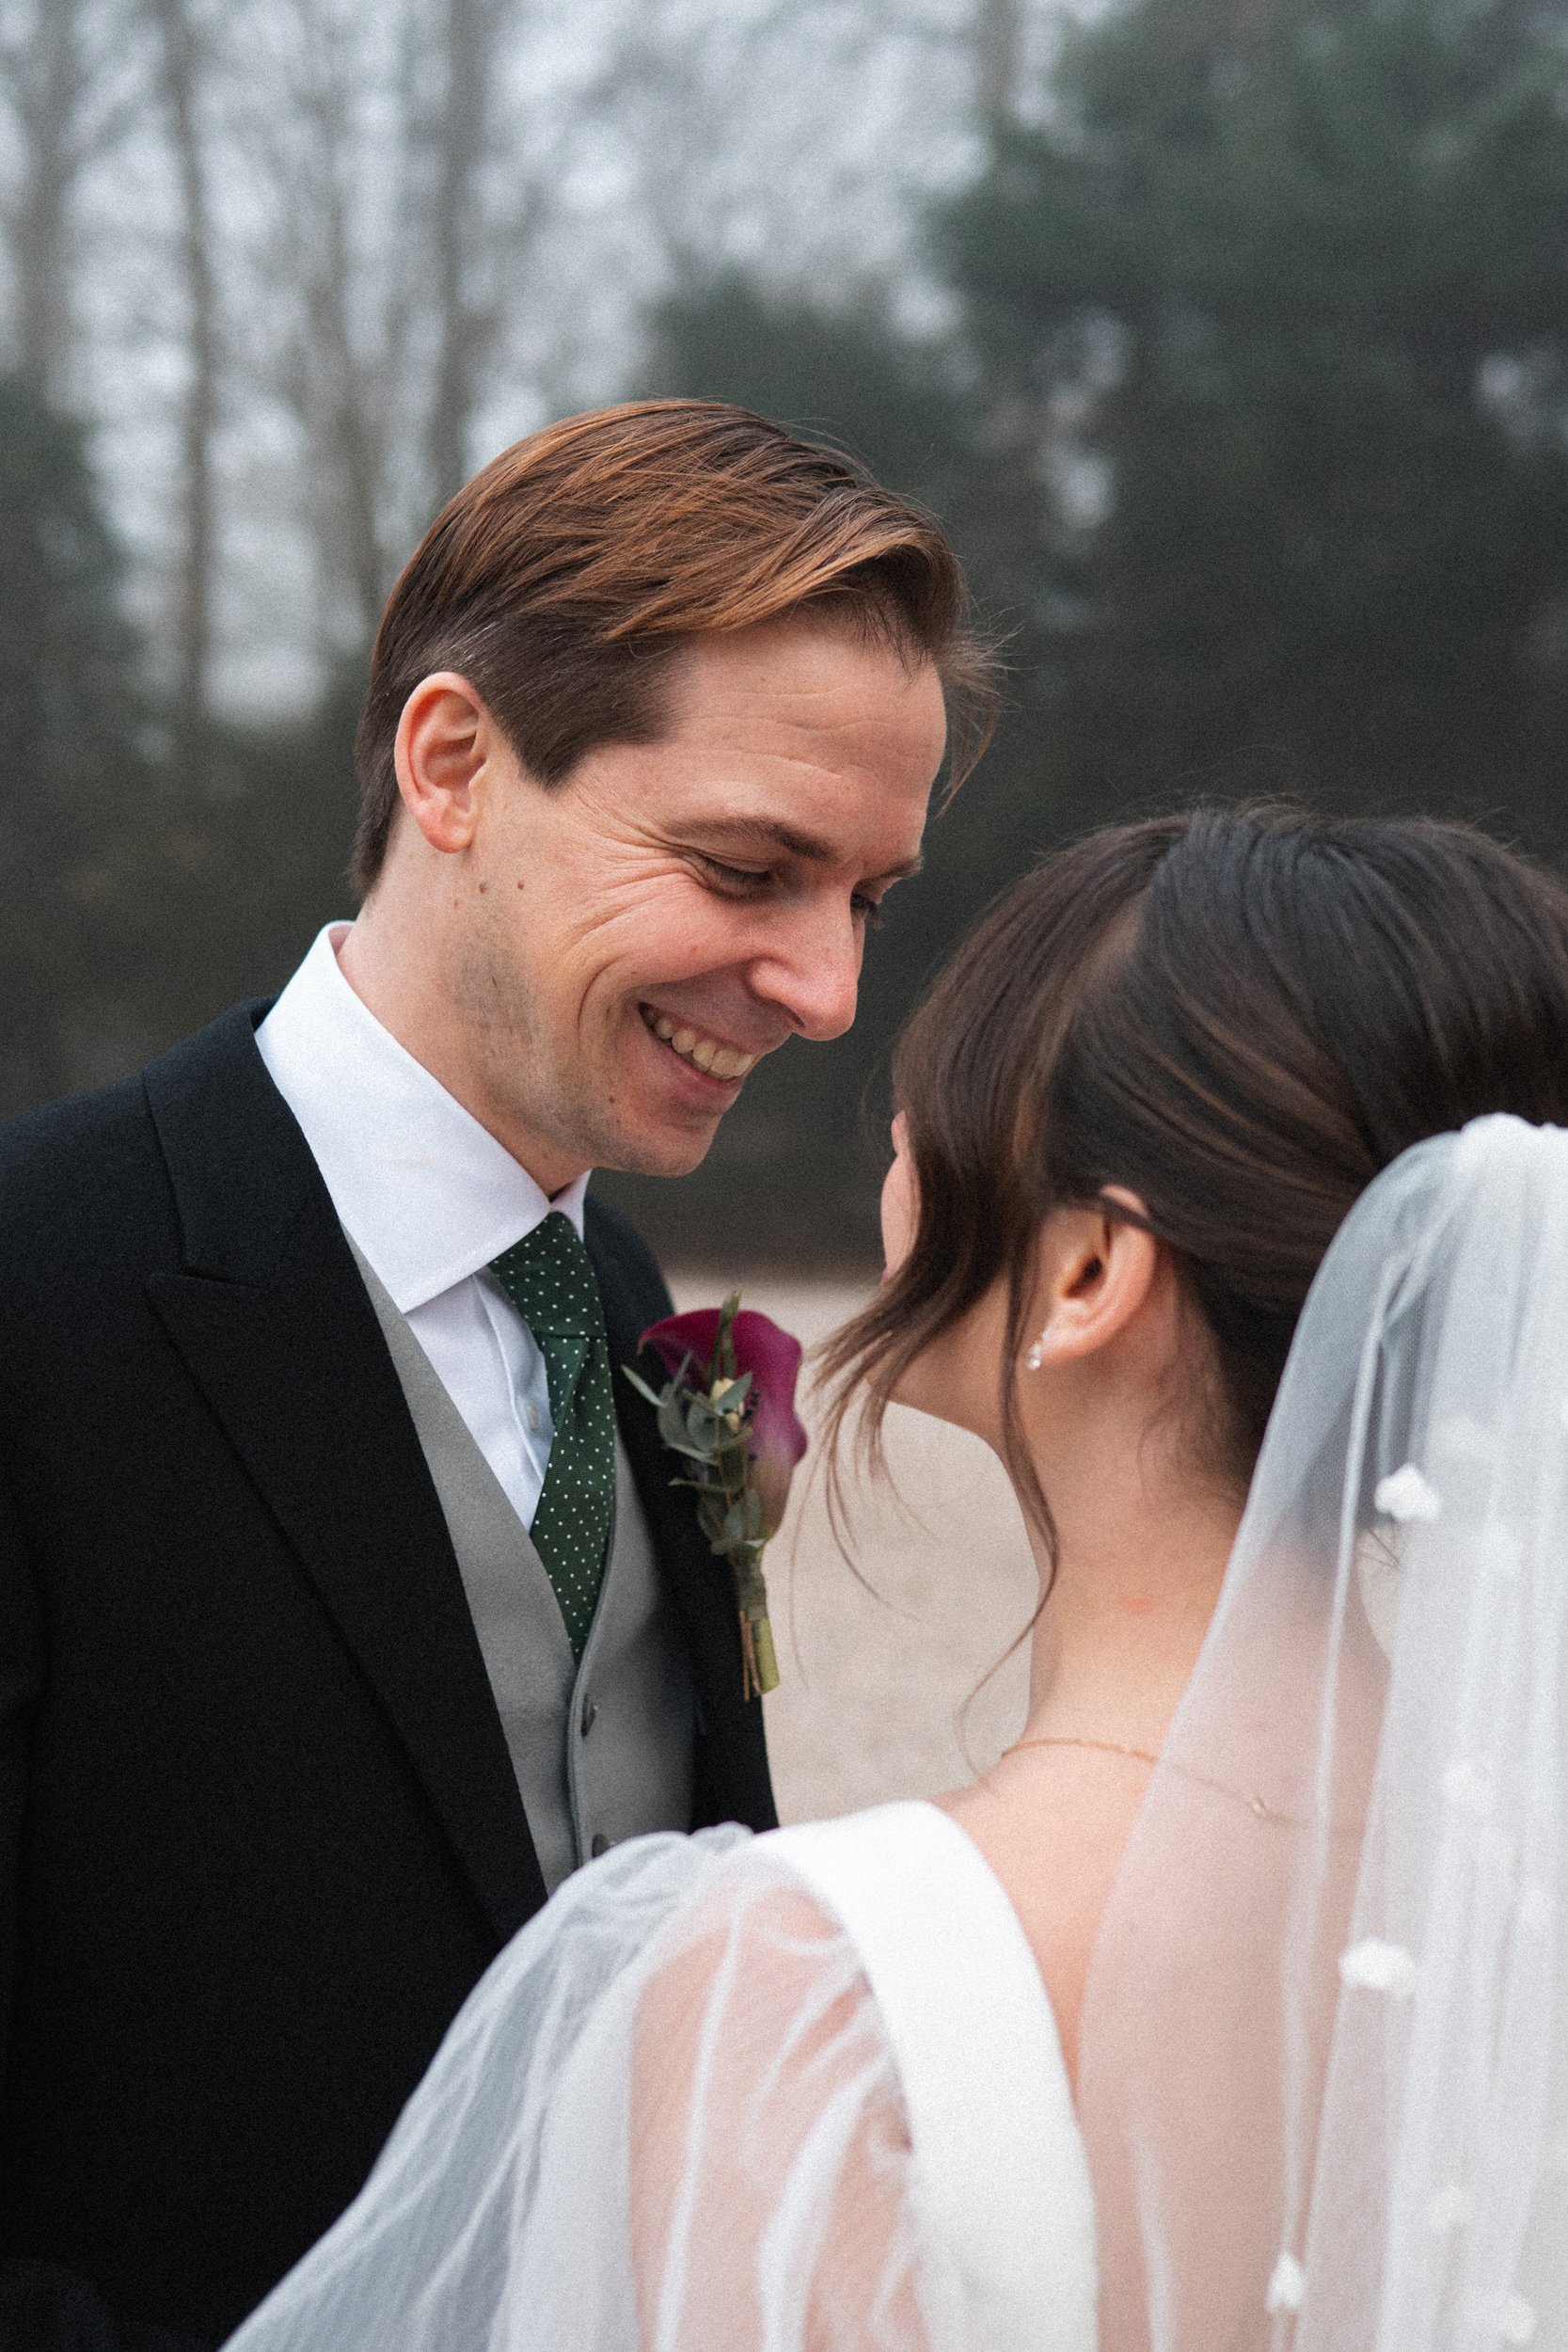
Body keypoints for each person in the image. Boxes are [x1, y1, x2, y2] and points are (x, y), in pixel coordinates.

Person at [221, 805, 1568, 2351]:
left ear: (1086, 1274)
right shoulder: (1519, 1905)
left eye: (947, 1088)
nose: (887, 1108)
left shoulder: (821, 1991)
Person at [0, 400, 991, 2349]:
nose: (827, 988)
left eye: (863, 896)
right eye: (750, 864)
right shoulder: (36, 1286)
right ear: (453, 762)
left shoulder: (619, 1294)